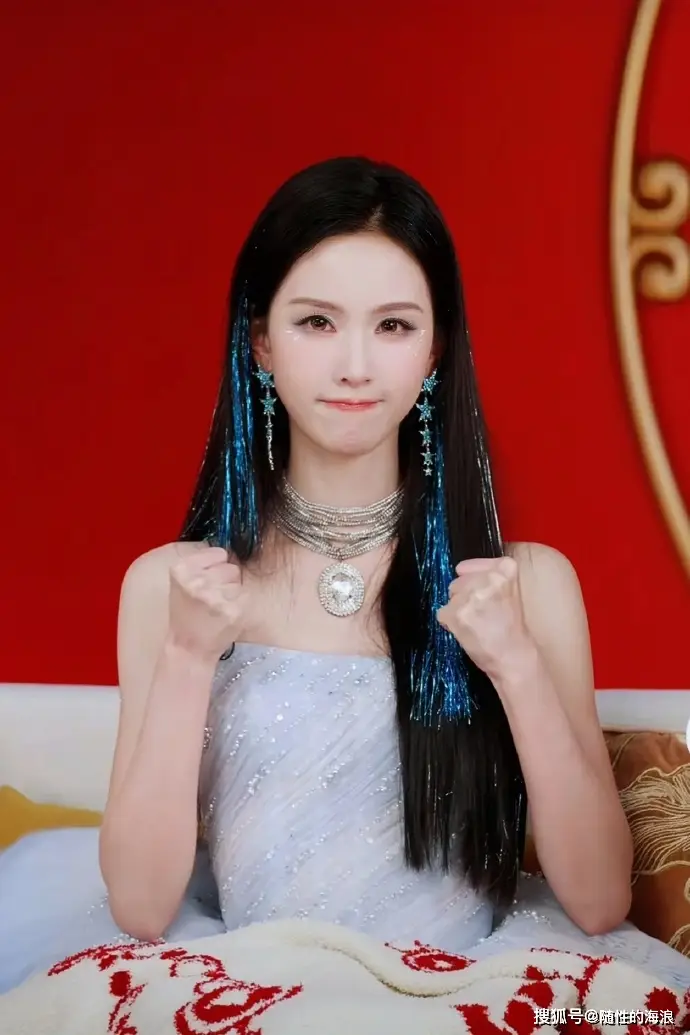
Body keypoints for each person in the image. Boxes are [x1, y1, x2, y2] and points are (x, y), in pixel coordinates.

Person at [1, 156, 689, 995]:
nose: (355, 364)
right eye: (317, 322)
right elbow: (142, 906)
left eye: (393, 325)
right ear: (260, 341)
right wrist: (186, 658)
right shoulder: (172, 586)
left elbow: (599, 898)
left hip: (467, 987)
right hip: (248, 989)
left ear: (435, 349)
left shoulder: (528, 584)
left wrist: (515, 664)